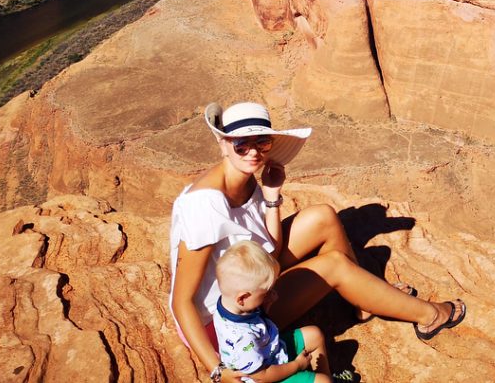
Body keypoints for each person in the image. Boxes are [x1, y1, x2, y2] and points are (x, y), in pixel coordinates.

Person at [169, 101, 466, 383]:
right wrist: (216, 368)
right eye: (241, 145)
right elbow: (181, 301)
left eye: (263, 143)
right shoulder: (204, 206)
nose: (253, 153)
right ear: (223, 144)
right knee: (334, 266)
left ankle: (364, 301)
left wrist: (272, 196)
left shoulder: (246, 180)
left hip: (251, 273)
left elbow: (270, 249)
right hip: (226, 321)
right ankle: (429, 316)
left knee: (323, 217)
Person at [213, 239, 330, 383]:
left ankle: (322, 376)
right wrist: (297, 365)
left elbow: (258, 322)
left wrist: (266, 304)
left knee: (314, 335)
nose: (272, 293)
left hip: (270, 351)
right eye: (265, 292)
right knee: (323, 381)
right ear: (242, 298)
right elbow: (262, 376)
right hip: (267, 376)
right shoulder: (243, 340)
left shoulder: (229, 304)